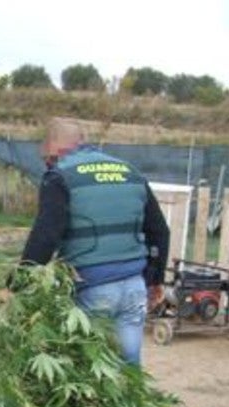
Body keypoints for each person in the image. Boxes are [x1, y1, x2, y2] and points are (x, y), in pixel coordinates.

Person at [12, 118, 169, 366]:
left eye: (46, 158)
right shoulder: (131, 172)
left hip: (92, 288)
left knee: (90, 369)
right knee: (129, 369)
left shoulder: (59, 176)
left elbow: (46, 236)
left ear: (54, 148)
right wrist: (156, 279)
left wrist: (15, 285)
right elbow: (160, 231)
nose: (46, 163)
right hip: (133, 287)